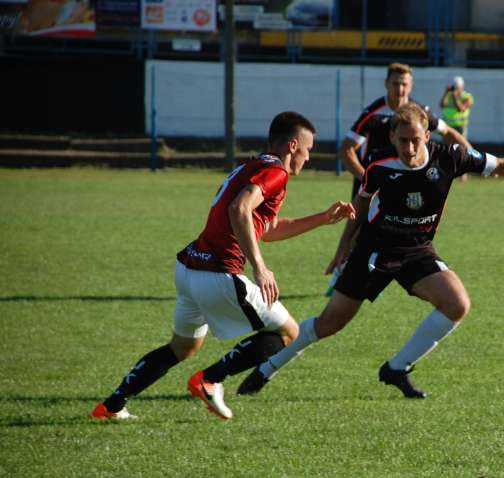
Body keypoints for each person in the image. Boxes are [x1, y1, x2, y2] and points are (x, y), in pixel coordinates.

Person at [236, 102, 504, 399]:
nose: (410, 148)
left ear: (426, 136)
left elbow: (503, 164)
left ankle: (396, 368)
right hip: (374, 251)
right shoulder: (380, 168)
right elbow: (360, 206)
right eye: (402, 141)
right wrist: (343, 250)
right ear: (392, 138)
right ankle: (266, 368)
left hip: (418, 249)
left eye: (416, 140)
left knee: (457, 304)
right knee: (330, 324)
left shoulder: (452, 157)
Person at [90, 111, 355, 421]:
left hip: (189, 270)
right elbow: (239, 209)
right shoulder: (276, 173)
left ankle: (112, 405)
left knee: (182, 347)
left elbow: (266, 228)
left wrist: (323, 218)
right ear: (293, 146)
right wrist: (260, 267)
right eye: (309, 149)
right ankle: (211, 379)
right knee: (289, 333)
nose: (309, 158)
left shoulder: (252, 165)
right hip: (218, 274)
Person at [327, 62, 471, 294]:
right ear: (386, 84)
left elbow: (448, 132)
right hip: (371, 182)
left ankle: (374, 276)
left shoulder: (419, 113)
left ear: (411, 85)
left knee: (397, 233)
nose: (400, 89)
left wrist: (468, 154)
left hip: (403, 186)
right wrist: (368, 177)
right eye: (395, 83)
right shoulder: (373, 114)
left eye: (404, 84)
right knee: (357, 233)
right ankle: (340, 276)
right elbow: (346, 149)